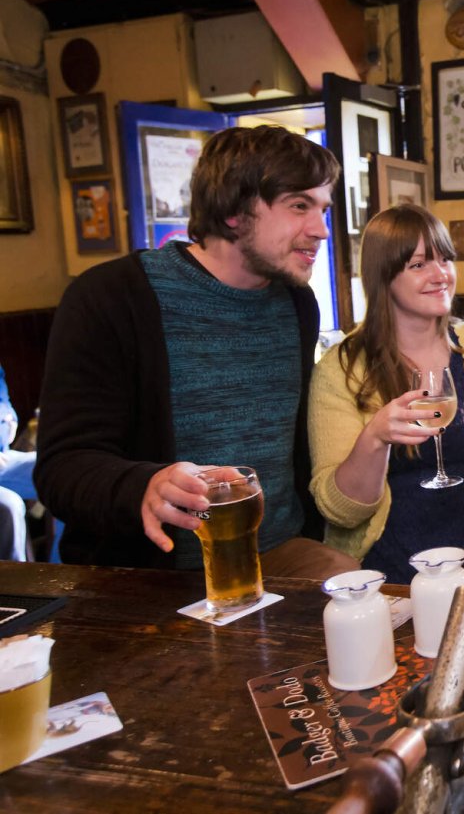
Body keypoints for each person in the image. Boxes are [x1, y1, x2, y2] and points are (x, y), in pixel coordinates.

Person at [35, 126, 359, 580]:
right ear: (233, 211)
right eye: (299, 206)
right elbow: (61, 469)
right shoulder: (111, 297)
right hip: (155, 573)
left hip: (281, 553)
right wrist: (143, 485)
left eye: (323, 208)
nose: (320, 230)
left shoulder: (296, 302)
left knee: (361, 596)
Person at [308, 204, 464, 589]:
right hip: (387, 569)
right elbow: (341, 512)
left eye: (445, 259)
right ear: (383, 276)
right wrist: (375, 438)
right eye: (418, 265)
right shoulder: (340, 367)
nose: (441, 275)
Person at [0, 364, 35, 561]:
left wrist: (10, 418)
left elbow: (3, 401)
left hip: (4, 457)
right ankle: (16, 585)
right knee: (9, 506)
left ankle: (64, 572)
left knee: (66, 472)